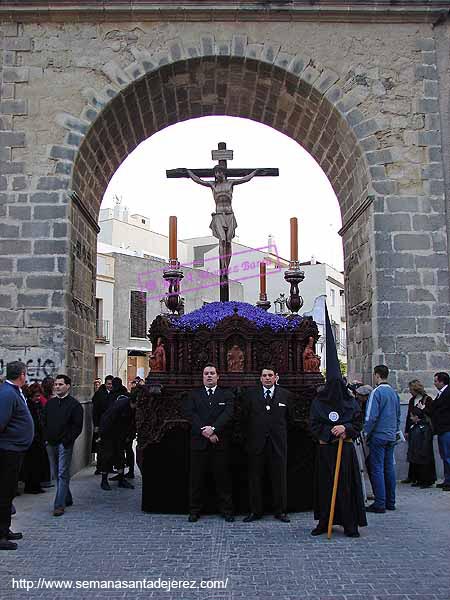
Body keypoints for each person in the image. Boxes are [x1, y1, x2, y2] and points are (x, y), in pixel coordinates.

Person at [241, 366, 293, 523]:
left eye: (270, 375)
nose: (267, 378)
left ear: (275, 377)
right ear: (260, 378)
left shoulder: (286, 395)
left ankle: (280, 511)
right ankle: (255, 511)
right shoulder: (250, 395)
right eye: (264, 375)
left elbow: (290, 419)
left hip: (278, 445)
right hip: (257, 445)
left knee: (279, 478)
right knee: (255, 478)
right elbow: (245, 419)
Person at [183, 364, 234, 523]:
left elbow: (228, 414)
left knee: (223, 479)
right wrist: (204, 431)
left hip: (219, 443)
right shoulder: (194, 395)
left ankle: (226, 510)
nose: (209, 376)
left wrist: (214, 429)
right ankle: (194, 510)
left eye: (212, 373)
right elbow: (190, 414)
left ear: (218, 376)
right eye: (206, 373)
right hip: (199, 443)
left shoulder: (226, 394)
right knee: (196, 479)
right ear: (202, 376)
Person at [0, 361, 34, 550]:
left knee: (9, 492)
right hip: (8, 451)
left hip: (15, 450)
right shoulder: (7, 393)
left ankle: (5, 529)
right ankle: (1, 534)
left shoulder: (12, 391)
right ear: (22, 374)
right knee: (4, 493)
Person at [42, 374, 83, 517]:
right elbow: (44, 422)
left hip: (64, 444)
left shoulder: (74, 405)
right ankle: (67, 497)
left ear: (68, 386)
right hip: (50, 443)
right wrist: (46, 438)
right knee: (57, 473)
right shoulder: (50, 404)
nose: (57, 387)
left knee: (62, 473)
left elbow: (77, 426)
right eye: (56, 384)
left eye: (60, 384)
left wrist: (67, 440)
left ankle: (59, 505)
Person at [364, 365, 401, 513]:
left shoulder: (376, 392)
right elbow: (398, 415)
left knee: (377, 468)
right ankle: (390, 501)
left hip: (378, 435)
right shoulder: (394, 393)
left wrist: (367, 432)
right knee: (389, 467)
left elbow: (371, 416)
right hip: (391, 434)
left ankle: (380, 502)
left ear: (377, 375)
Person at [98, 390, 136, 491]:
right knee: (107, 455)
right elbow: (106, 419)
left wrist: (129, 436)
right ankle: (104, 480)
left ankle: (121, 479)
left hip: (120, 434)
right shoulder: (120, 406)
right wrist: (102, 435)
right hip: (109, 433)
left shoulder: (133, 408)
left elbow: (131, 423)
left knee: (120, 456)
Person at [402, 379, 434, 485]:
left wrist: (423, 409)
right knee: (413, 452)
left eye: (411, 389)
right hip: (414, 429)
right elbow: (408, 416)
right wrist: (406, 430)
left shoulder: (427, 399)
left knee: (423, 453)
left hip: (424, 430)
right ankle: (413, 476)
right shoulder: (412, 400)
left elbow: (432, 413)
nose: (410, 391)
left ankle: (425, 478)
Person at [21, 383, 47, 494]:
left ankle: (35, 485)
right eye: (36, 396)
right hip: (33, 439)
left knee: (37, 464)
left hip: (38, 438)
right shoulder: (29, 406)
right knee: (32, 464)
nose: (38, 398)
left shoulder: (37, 405)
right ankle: (31, 486)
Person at [428, 372, 450, 491]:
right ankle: (447, 480)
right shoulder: (440, 394)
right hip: (441, 429)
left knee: (447, 456)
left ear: (442, 382)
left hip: (446, 428)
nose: (435, 383)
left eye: (436, 381)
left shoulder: (447, 393)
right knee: (444, 455)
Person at [406, 407, 436, 488]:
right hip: (416, 451)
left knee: (424, 467)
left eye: (412, 416)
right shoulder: (414, 426)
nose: (410, 418)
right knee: (418, 466)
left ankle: (426, 481)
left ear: (417, 416)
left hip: (423, 452)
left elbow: (426, 439)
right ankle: (419, 480)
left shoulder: (425, 426)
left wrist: (423, 450)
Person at [92, 375, 114, 475]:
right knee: (100, 447)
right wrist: (96, 425)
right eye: (108, 384)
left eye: (111, 384)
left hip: (111, 425)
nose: (110, 386)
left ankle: (109, 466)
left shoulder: (114, 393)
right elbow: (95, 411)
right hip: (101, 424)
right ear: (105, 384)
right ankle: (99, 467)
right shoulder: (99, 394)